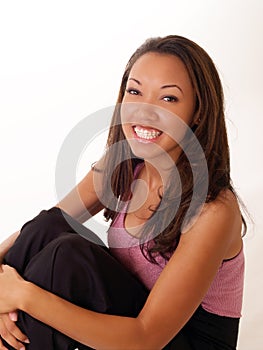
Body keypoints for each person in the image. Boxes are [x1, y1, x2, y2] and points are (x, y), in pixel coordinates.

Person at [0, 35, 245, 350]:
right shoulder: (124, 167)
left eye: (168, 99)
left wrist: (23, 295)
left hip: (169, 340)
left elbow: (148, 338)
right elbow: (39, 230)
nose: (144, 111)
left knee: (66, 257)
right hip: (131, 322)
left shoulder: (212, 210)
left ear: (198, 112)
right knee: (52, 228)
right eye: (135, 92)